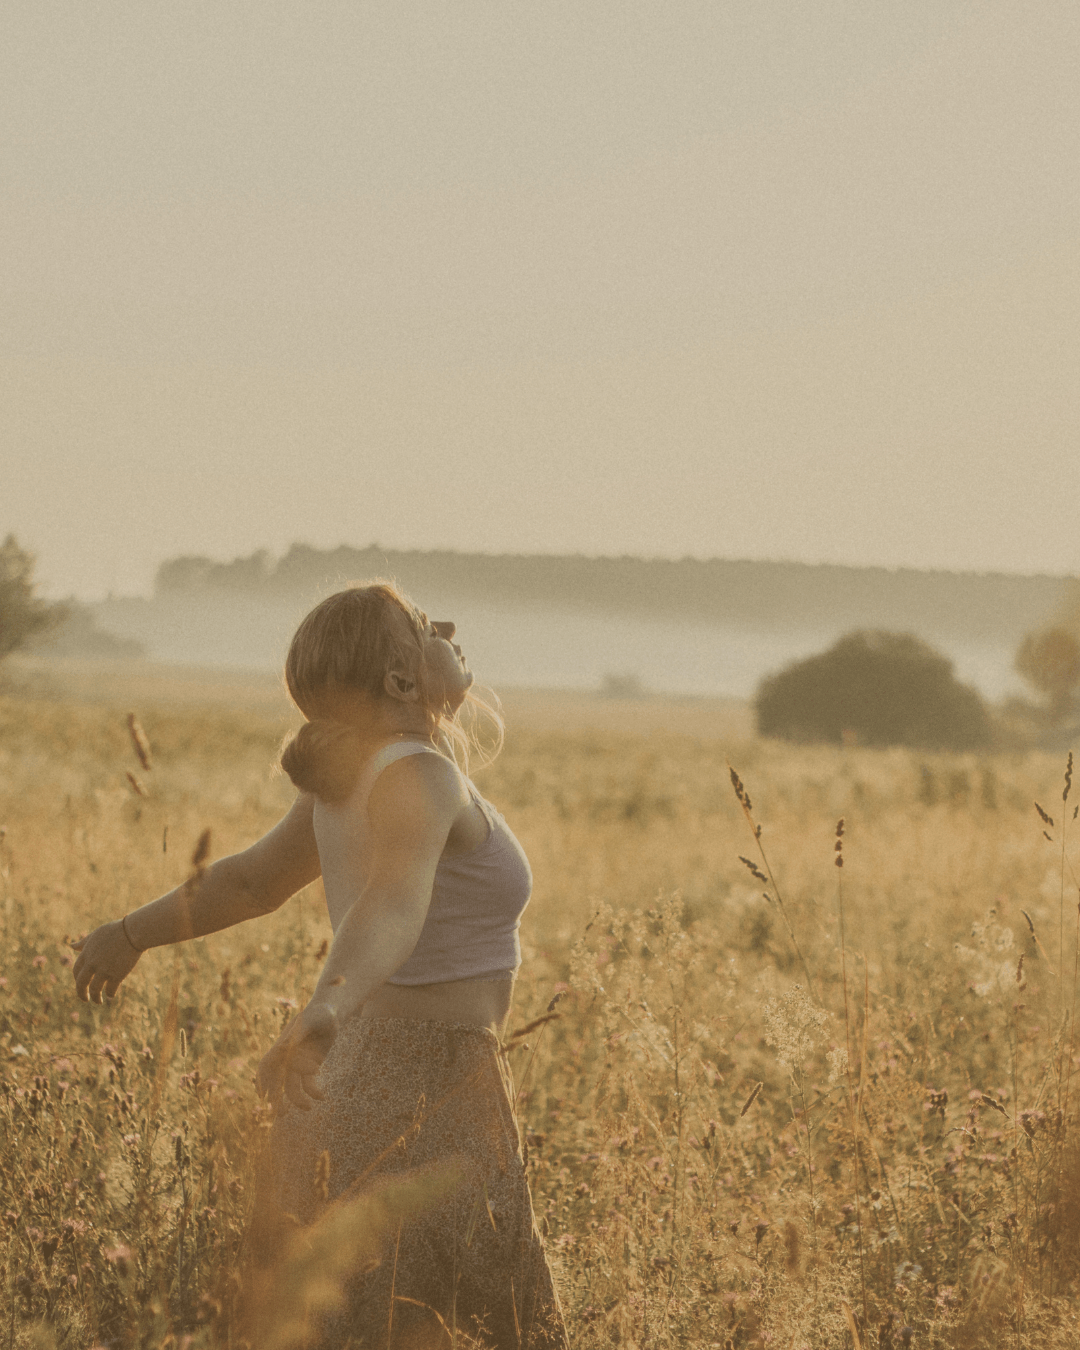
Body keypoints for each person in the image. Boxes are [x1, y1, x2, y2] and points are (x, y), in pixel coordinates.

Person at [71, 582, 570, 1349]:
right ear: (401, 681)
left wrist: (130, 933)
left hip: (361, 1075)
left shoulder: (360, 778)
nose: (450, 628)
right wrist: (325, 1008)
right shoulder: (419, 777)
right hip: (428, 1083)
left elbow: (249, 883)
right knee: (479, 1319)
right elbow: (390, 906)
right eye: (423, 625)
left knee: (359, 1317)